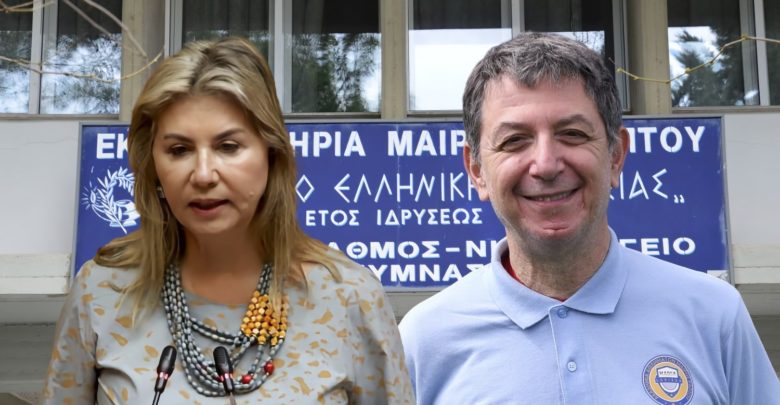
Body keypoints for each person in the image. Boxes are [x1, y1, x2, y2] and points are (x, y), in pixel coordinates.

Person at [398, 32, 780, 404]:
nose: (546, 164)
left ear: (615, 156)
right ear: (477, 170)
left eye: (572, 134)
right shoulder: (422, 341)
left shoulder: (714, 315)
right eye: (514, 140)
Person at [42, 37, 414, 404]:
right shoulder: (102, 292)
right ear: (153, 166)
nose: (203, 174)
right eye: (179, 150)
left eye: (228, 147)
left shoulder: (350, 297)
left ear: (271, 154)